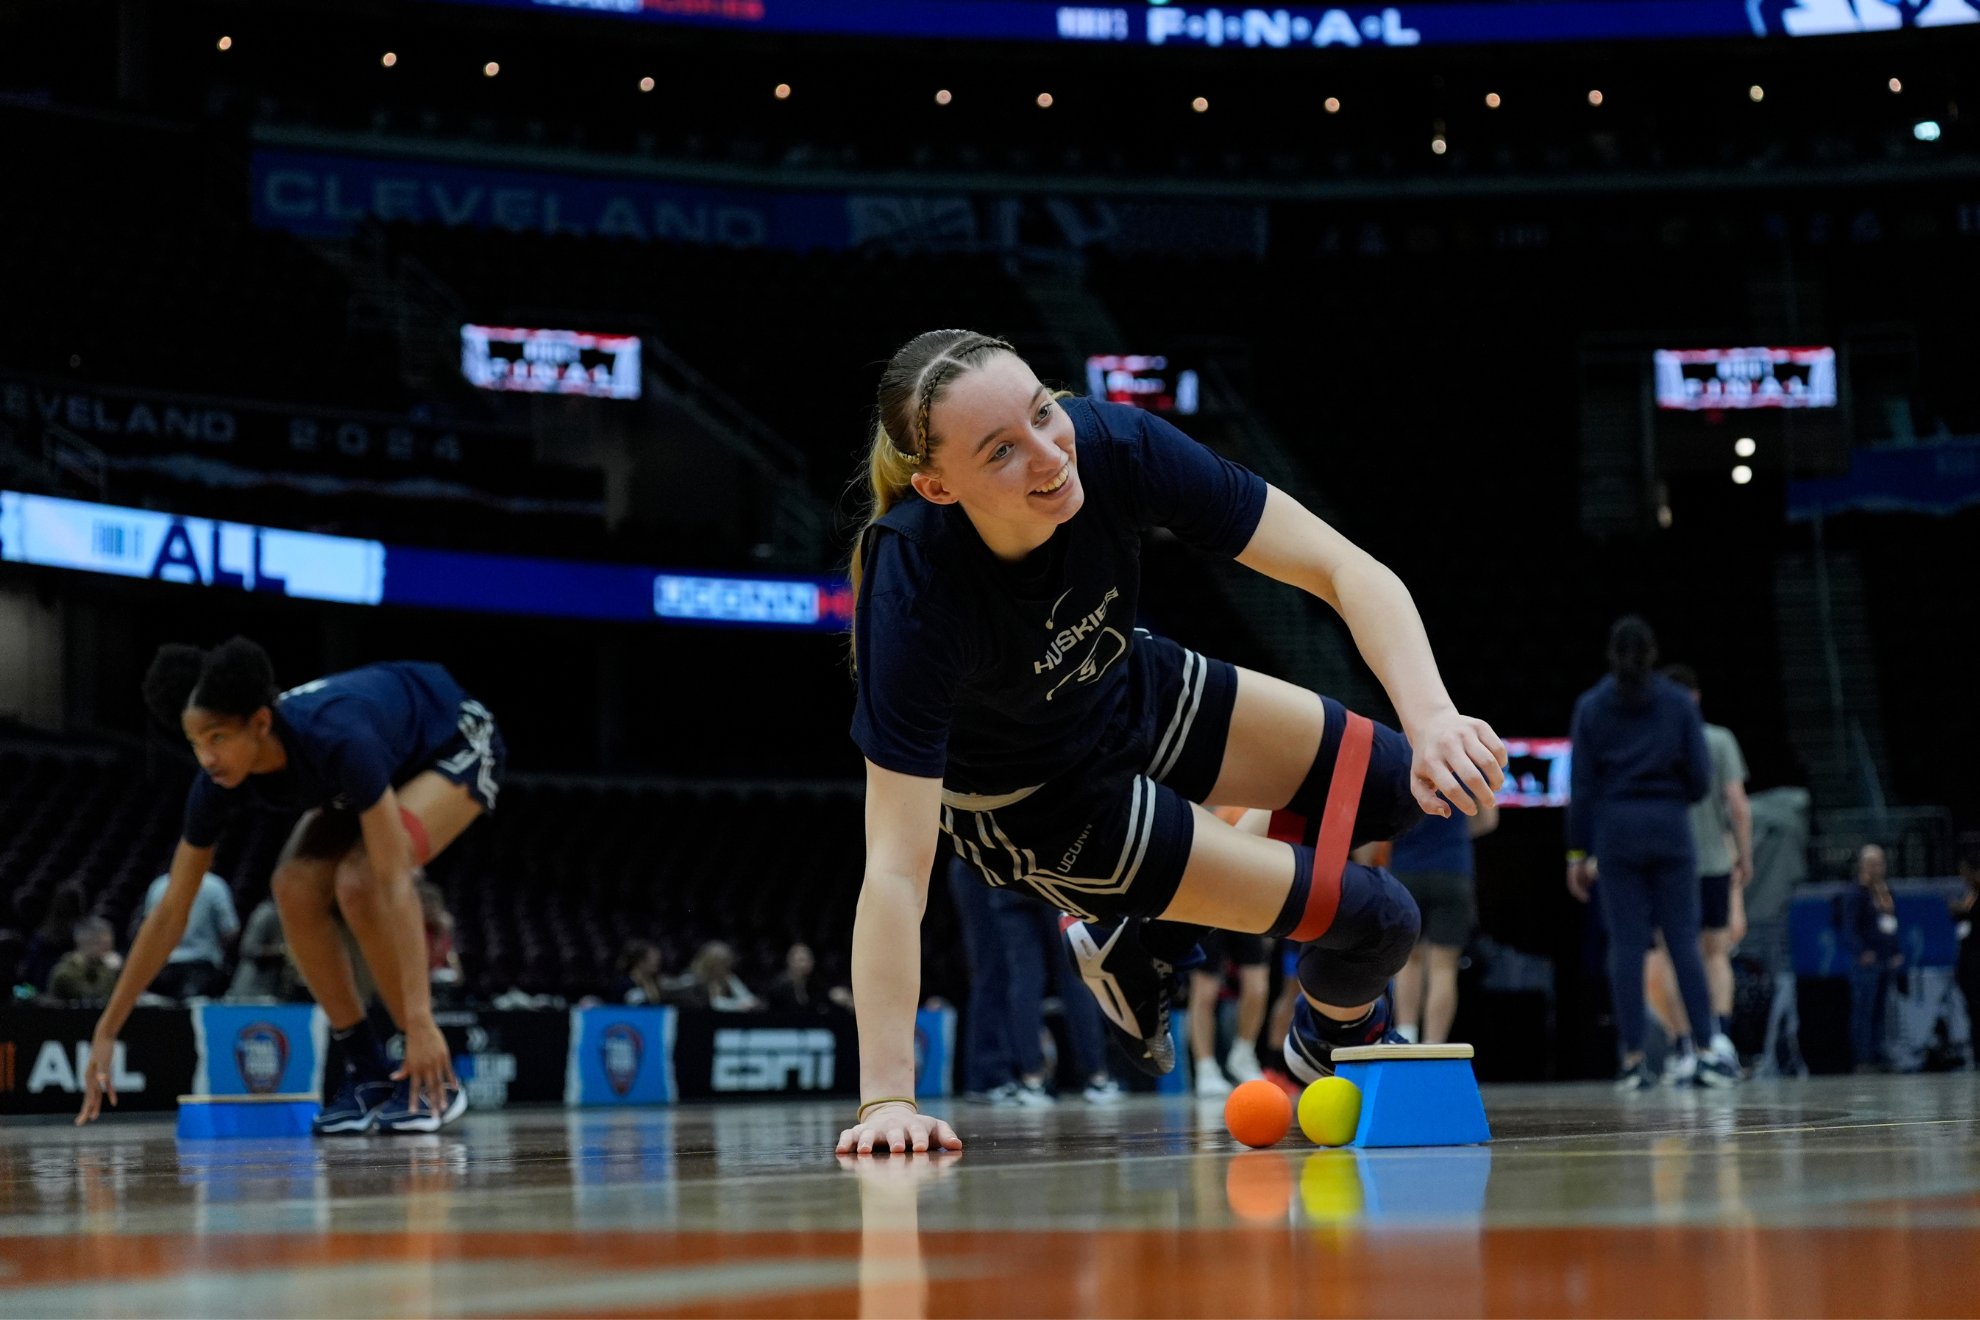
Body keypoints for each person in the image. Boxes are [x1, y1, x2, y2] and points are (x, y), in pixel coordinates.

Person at [835, 331, 1505, 1156]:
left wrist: (1434, 716)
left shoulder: (1116, 445)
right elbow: (895, 871)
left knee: (1401, 782)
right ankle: (1315, 1051)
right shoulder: (914, 590)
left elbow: (1343, 568)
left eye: (1046, 412)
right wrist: (886, 1102)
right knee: (1380, 922)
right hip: (1041, 806)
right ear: (937, 485)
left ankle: (1143, 941)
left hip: (1126, 686)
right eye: (1002, 450)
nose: (1049, 455)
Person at [76, 636, 505, 1135]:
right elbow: (172, 911)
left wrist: (421, 1020)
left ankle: (435, 1079)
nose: (206, 758)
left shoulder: (339, 736)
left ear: (260, 723)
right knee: (292, 886)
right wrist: (107, 1029)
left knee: (361, 879)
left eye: (217, 738)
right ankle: (368, 1071)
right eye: (196, 743)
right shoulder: (213, 786)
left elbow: (394, 883)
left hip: (451, 737)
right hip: (375, 763)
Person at [1565, 616, 1733, 1090]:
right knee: (1683, 941)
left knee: (1627, 947)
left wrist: (1577, 853)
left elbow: (1581, 788)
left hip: (1616, 832)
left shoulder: (1592, 707)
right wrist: (1669, 795)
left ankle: (1635, 1059)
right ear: (1654, 653)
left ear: (1610, 656)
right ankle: (1705, 1048)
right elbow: (1702, 779)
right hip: (1671, 829)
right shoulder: (1679, 704)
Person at [1390, 788, 1498, 1045]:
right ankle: (1433, 1048)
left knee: (1407, 962)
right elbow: (1488, 820)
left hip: (1406, 869)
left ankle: (1406, 1041)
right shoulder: (1468, 752)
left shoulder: (1403, 753)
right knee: (1443, 968)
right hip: (1453, 868)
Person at [1190, 806, 1275, 1096]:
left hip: (1246, 894)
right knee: (1205, 990)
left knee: (1258, 986)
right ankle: (1205, 1067)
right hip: (1207, 893)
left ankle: (1243, 1053)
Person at [140, 868, 240, 1001]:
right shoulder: (215, 885)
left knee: (163, 1017)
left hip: (164, 967)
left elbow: (149, 930)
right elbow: (230, 930)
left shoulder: (159, 886)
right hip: (202, 966)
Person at [1845, 843, 1903, 1072]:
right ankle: (1863, 1058)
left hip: (1885, 959)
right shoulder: (1855, 893)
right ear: (1862, 866)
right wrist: (1861, 952)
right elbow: (1849, 929)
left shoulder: (1885, 892)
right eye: (1871, 863)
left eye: (1880, 863)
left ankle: (1878, 1053)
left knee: (1881, 1010)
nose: (1876, 868)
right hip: (1865, 962)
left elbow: (1892, 926)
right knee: (1863, 1010)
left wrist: (1896, 952)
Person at [226, 897, 295, 1001]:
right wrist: (282, 950)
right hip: (253, 990)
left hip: (275, 990)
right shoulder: (267, 912)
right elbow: (249, 948)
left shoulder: (289, 915)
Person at [765, 942, 855, 1014]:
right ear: (789, 961)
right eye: (800, 960)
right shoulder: (779, 986)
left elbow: (826, 998)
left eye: (807, 959)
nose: (803, 964)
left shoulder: (818, 982)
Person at [48, 918, 122, 1002]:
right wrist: (111, 970)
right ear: (86, 945)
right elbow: (94, 998)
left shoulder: (101, 967)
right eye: (103, 945)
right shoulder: (65, 972)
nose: (109, 951)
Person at [686, 941, 763, 1012]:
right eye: (721, 965)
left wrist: (749, 1003)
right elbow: (715, 1004)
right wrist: (739, 1005)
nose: (725, 969)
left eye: (726, 965)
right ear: (710, 965)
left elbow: (748, 999)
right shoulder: (695, 981)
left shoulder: (729, 978)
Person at [617, 939, 667, 1005]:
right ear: (641, 962)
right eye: (653, 960)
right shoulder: (623, 985)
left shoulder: (656, 984)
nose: (658, 963)